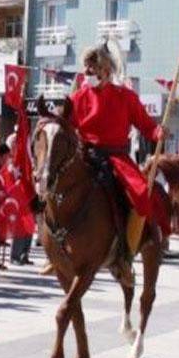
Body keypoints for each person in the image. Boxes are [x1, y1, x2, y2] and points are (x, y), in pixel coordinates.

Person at [65, 45, 165, 270]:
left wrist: (159, 132)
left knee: (140, 195)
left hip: (116, 157)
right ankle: (57, 251)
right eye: (87, 69)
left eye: (94, 69)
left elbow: (147, 126)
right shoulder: (77, 98)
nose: (89, 74)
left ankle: (125, 255)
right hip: (85, 156)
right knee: (56, 191)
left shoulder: (126, 97)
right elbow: (67, 130)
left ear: (107, 71)